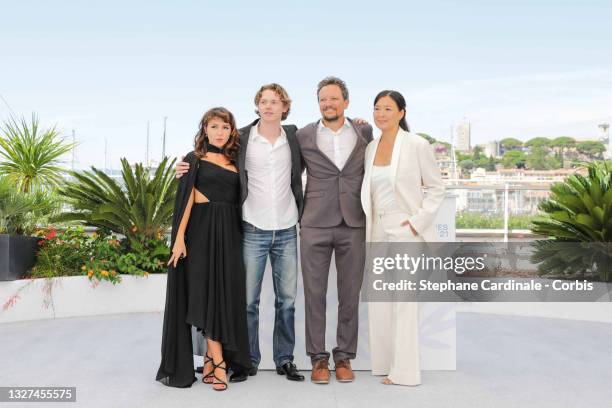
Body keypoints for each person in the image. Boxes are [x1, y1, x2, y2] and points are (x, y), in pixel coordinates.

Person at [174, 84, 305, 382]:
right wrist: (183, 168)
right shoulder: (240, 137)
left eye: (275, 102)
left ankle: (285, 359)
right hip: (252, 227)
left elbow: (326, 133)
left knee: (287, 301)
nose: (269, 106)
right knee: (247, 302)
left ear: (285, 107)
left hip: (286, 227)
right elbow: (207, 158)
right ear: (257, 105)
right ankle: (247, 361)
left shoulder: (296, 136)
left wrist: (359, 125)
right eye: (263, 101)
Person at [156, 107, 251, 391]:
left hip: (230, 236)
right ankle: (219, 361)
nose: (219, 132)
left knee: (223, 296)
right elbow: (185, 201)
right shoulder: (192, 160)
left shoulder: (236, 162)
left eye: (225, 127)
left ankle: (211, 360)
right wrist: (179, 237)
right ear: (205, 129)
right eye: (214, 126)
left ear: (232, 131)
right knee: (204, 295)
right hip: (200, 234)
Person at [360, 90, 445, 385]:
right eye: (376, 108)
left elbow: (436, 188)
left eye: (387, 108)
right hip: (377, 230)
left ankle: (406, 372)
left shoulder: (417, 145)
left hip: (405, 229)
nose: (381, 114)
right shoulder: (370, 147)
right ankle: (385, 365)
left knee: (405, 301)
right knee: (380, 301)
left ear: (401, 113)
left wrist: (415, 223)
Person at [297, 76, 373, 384]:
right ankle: (318, 359)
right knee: (314, 295)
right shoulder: (302, 135)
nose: (328, 104)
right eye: (323, 99)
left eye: (333, 98)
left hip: (353, 222)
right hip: (314, 222)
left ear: (346, 102)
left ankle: (344, 357)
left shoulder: (364, 131)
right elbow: (288, 175)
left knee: (349, 295)